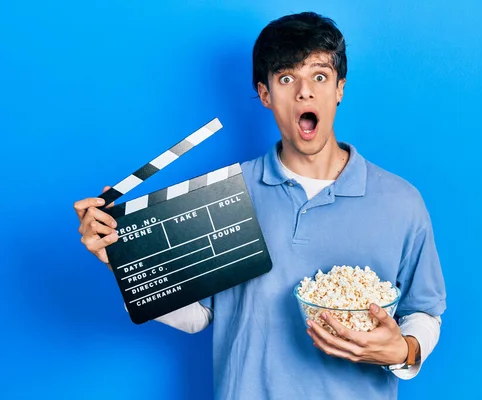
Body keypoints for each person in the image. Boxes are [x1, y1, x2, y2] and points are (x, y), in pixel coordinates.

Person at [74, 11, 446, 399]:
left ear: (339, 89)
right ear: (265, 93)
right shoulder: (224, 193)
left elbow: (425, 310)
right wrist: (122, 255)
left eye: (319, 76)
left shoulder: (401, 203)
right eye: (287, 78)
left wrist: (405, 350)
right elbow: (198, 316)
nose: (304, 92)